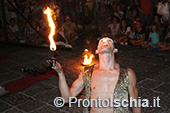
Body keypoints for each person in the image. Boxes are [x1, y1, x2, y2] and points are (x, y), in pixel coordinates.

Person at [50, 37, 141, 113]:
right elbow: (67, 98)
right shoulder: (87, 73)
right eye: (101, 41)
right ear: (97, 51)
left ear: (115, 50)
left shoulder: (128, 74)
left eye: (109, 40)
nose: (105, 41)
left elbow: (135, 104)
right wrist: (60, 73)